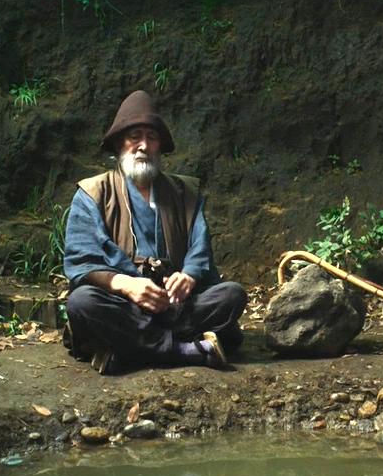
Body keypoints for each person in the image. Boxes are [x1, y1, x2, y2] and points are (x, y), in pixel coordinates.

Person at [62, 90, 247, 374]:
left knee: (231, 295)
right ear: (119, 143)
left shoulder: (184, 192)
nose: (143, 146)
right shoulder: (93, 193)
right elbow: (82, 261)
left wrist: (188, 277)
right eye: (134, 136)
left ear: (160, 146)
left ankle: (129, 349)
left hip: (174, 305)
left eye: (152, 137)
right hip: (123, 303)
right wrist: (128, 285)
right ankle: (185, 350)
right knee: (82, 302)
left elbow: (200, 249)